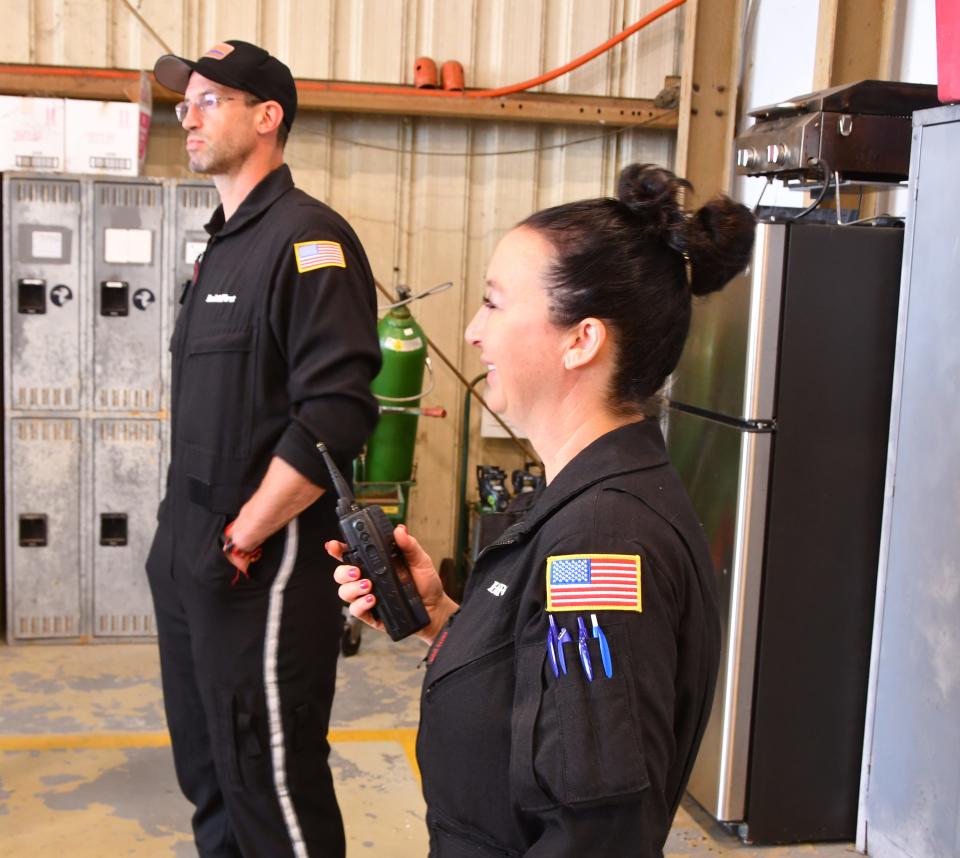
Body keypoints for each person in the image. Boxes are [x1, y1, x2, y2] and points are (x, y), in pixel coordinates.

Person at [332, 164, 755, 856]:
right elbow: (546, 698)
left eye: (494, 304)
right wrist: (442, 620)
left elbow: (596, 829)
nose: (471, 331)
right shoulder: (587, 501)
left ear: (580, 340)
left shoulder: (603, 542)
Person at [146, 40, 381, 858]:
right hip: (189, 550)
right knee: (209, 774)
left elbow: (337, 414)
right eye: (185, 103)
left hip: (259, 564)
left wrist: (245, 533)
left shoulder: (310, 240)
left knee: (269, 779)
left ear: (266, 115)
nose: (189, 116)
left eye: (209, 100)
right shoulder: (222, 245)